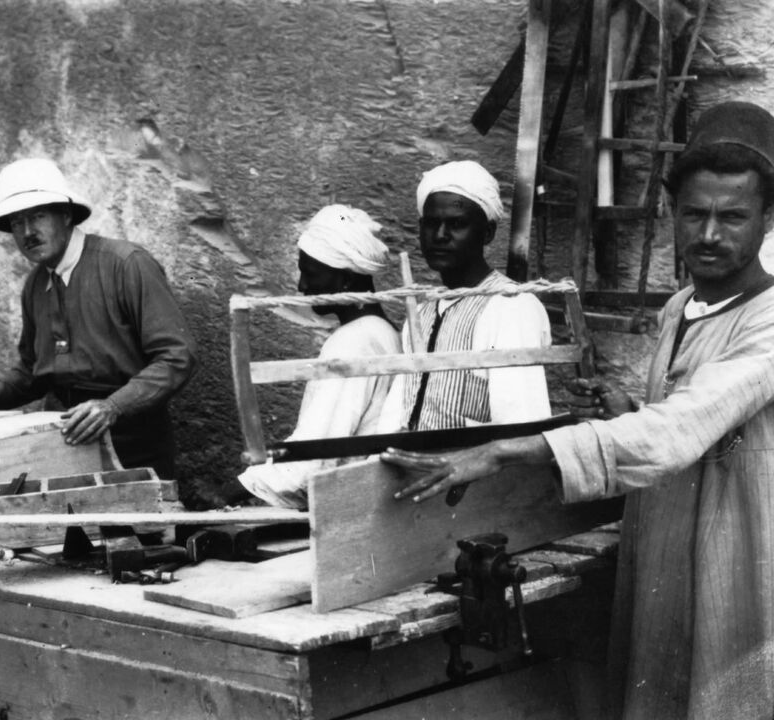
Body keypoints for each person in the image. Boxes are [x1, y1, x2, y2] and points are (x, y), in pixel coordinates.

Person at [383, 101, 774, 720]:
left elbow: (679, 430)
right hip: (665, 546)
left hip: (741, 548)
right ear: (673, 212)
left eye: (733, 217)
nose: (708, 235)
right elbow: (689, 418)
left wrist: (504, 449)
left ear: (768, 219)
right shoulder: (679, 309)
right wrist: (631, 410)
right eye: (694, 214)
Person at [0, 158, 198, 478]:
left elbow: (178, 356)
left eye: (38, 216)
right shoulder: (35, 285)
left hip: (134, 443)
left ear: (66, 215)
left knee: (137, 528)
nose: (28, 232)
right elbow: (32, 373)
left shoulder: (126, 264)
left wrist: (112, 407)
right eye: (17, 223)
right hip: (63, 443)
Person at [238, 205, 400, 508]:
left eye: (310, 274)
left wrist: (242, 487)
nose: (302, 287)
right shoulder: (383, 332)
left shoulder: (354, 341)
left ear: (347, 279)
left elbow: (315, 458)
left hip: (345, 503)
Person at [376, 160, 552, 432]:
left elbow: (521, 426)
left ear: (488, 233)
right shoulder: (422, 310)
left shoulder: (511, 307)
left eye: (456, 224)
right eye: (432, 224)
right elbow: (397, 410)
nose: (441, 236)